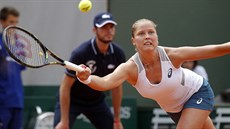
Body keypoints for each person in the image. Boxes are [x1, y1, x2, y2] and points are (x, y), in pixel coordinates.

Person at [76, 18, 230, 129]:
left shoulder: (172, 55)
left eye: (151, 32)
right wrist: (87, 78)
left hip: (197, 92)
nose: (147, 36)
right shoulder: (130, 68)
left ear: (157, 37)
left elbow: (216, 49)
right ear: (133, 41)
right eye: (141, 34)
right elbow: (105, 83)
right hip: (174, 108)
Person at [54, 12, 125, 129]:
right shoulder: (80, 53)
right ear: (94, 30)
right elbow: (65, 86)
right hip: (73, 101)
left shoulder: (118, 54)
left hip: (96, 101)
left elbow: (117, 86)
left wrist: (117, 120)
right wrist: (64, 121)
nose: (109, 30)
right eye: (104, 27)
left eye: (111, 27)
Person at [0, 6, 26, 129]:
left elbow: (21, 67)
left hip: (17, 101)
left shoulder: (19, 46)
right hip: (2, 102)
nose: (14, 25)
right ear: (2, 22)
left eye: (16, 22)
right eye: (11, 22)